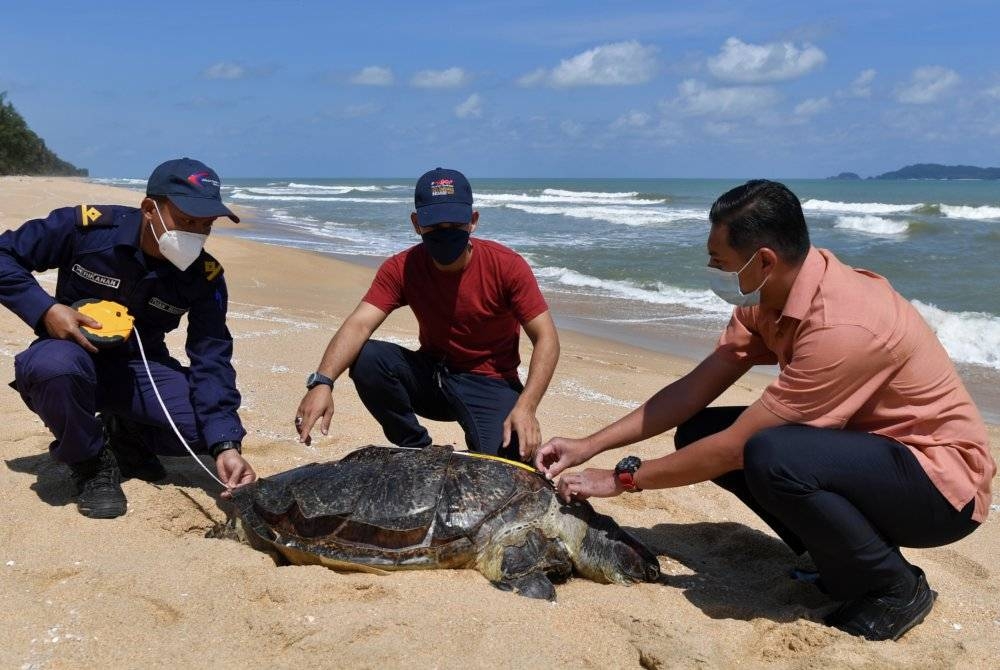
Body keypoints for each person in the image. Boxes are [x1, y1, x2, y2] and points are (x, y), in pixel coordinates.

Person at [535, 180, 994, 641]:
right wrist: (587, 445)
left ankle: (894, 587)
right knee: (700, 431)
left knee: (768, 452)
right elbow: (693, 390)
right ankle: (836, 556)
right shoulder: (771, 296)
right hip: (869, 457)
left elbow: (737, 449)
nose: (712, 270)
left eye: (720, 262)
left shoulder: (843, 323)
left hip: (939, 487)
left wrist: (620, 479)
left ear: (765, 260)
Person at [0, 157, 256, 519]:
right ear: (150, 208)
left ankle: (126, 434)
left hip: (140, 370)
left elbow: (211, 356)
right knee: (51, 369)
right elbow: (3, 254)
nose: (196, 233)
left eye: (206, 224)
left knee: (207, 431)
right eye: (186, 221)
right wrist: (45, 310)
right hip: (71, 358)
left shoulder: (205, 275)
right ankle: (91, 464)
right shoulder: (87, 230)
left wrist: (227, 446)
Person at [295, 167, 559, 461]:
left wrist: (527, 406)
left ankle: (484, 437)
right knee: (368, 358)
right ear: (417, 223)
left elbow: (546, 337)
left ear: (473, 221)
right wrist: (322, 382)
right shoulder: (402, 268)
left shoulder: (507, 266)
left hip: (490, 382)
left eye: (454, 224)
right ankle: (416, 449)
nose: (445, 233)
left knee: (510, 461)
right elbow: (358, 325)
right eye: (435, 226)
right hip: (432, 377)